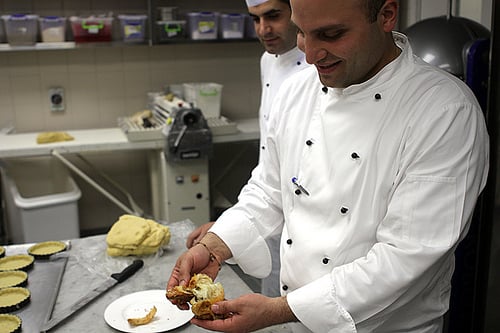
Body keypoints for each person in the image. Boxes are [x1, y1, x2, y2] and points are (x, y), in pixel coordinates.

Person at [168, 0, 489, 332]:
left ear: (386, 16)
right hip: (297, 322)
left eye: (331, 34)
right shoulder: (296, 90)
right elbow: (268, 191)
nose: (310, 56)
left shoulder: (445, 112)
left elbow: (406, 256)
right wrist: (215, 245)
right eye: (303, 34)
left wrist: (279, 310)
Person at [186, 0, 310, 297]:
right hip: (271, 205)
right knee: (271, 299)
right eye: (255, 19)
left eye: (273, 16)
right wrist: (235, 222)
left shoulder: (317, 68)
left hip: (304, 221)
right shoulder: (268, 60)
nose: (263, 29)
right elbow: (271, 162)